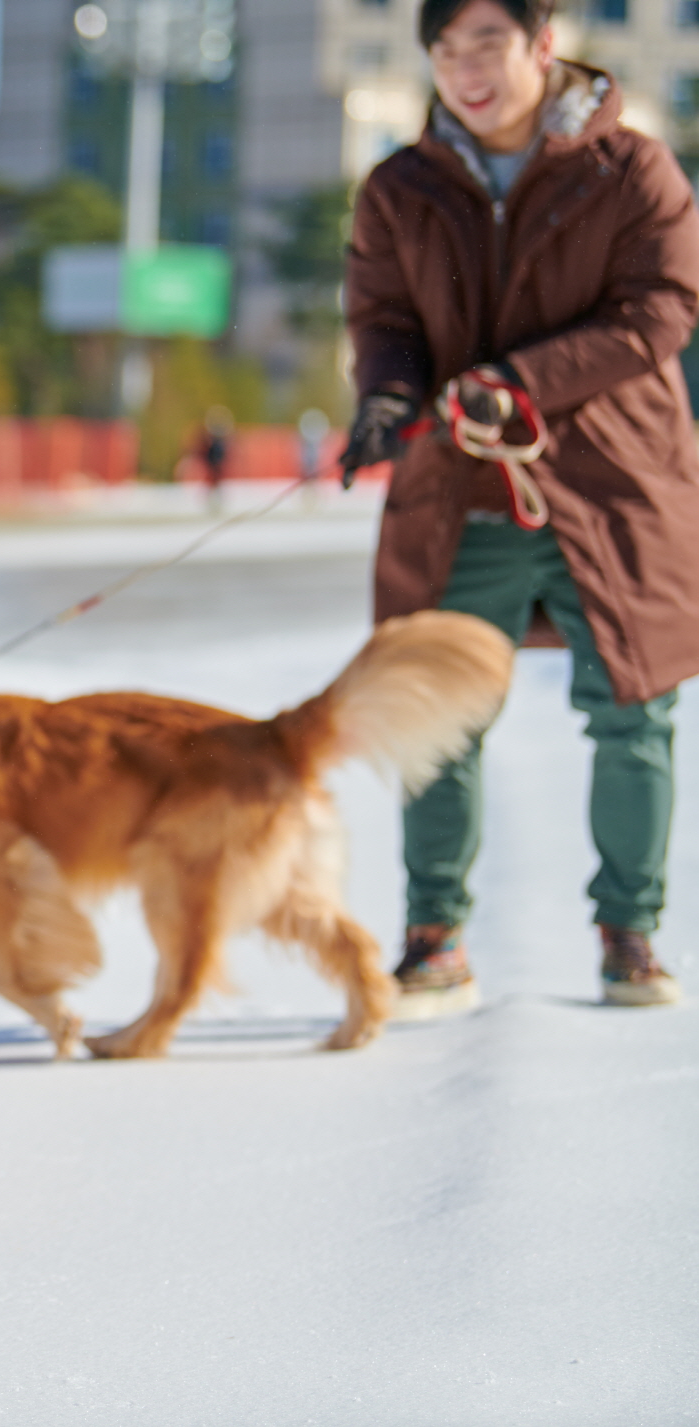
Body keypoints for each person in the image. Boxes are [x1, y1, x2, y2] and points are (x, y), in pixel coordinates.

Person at [340, 0, 699, 1014]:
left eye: (486, 42)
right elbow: (382, 315)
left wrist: (518, 379)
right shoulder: (398, 187)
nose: (465, 69)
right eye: (445, 49)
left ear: (543, 45)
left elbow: (661, 308)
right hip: (458, 493)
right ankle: (432, 932)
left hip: (611, 485)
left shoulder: (631, 170)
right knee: (434, 714)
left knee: (632, 711)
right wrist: (388, 394)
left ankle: (629, 931)